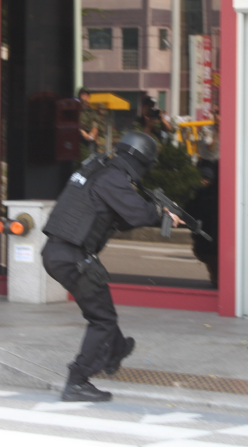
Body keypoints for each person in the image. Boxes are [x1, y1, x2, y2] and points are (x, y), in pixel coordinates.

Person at [41, 131, 182, 403]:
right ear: (141, 160)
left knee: (100, 309)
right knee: (102, 319)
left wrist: (159, 213)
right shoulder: (112, 178)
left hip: (60, 253)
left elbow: (123, 218)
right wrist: (162, 213)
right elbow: (139, 213)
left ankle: (115, 350)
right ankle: (78, 381)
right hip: (73, 258)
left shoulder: (98, 170)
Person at [186, 162, 219, 288]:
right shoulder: (205, 194)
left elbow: (190, 212)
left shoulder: (203, 194)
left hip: (206, 244)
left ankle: (217, 278)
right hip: (208, 244)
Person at [78, 87, 100, 157]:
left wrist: (92, 134)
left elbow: (95, 125)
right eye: (83, 94)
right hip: (78, 138)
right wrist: (83, 132)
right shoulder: (76, 109)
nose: (85, 96)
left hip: (89, 139)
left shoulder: (92, 111)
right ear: (79, 96)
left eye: (86, 94)